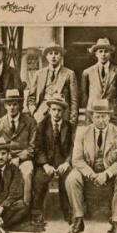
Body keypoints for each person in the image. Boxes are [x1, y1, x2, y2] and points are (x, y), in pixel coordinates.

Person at [65, 99, 117, 233]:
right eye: (97, 116)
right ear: (92, 117)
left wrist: (106, 174)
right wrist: (91, 174)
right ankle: (77, 219)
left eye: (104, 116)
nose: (101, 120)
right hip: (89, 172)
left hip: (110, 174)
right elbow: (76, 159)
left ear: (109, 116)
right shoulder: (82, 132)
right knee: (72, 178)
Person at [31, 94, 74, 225]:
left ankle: (68, 212)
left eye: (59, 110)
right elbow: (37, 147)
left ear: (64, 111)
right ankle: (37, 212)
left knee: (68, 179)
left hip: (63, 161)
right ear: (49, 110)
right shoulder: (41, 125)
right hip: (46, 162)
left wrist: (67, 162)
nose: (56, 113)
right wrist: (45, 165)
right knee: (39, 179)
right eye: (54, 109)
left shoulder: (70, 126)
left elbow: (74, 147)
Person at [0, 89, 36, 207]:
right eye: (9, 104)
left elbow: (32, 147)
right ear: (5, 105)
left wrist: (19, 158)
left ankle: (25, 208)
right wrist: (5, 157)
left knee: (27, 172)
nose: (12, 107)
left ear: (20, 105)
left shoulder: (30, 122)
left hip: (24, 159)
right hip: (2, 157)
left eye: (15, 104)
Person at [81, 38, 117, 127]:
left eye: (106, 51)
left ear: (110, 53)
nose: (103, 54)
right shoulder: (87, 72)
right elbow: (85, 94)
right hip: (93, 113)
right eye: (100, 51)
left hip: (113, 115)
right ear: (95, 53)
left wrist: (115, 108)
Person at [27, 43, 79, 126]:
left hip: (62, 115)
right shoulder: (39, 74)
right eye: (50, 54)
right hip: (41, 115)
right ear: (46, 56)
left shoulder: (69, 74)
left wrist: (72, 121)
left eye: (56, 53)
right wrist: (34, 112)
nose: (53, 56)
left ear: (61, 56)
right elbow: (31, 98)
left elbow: (74, 101)